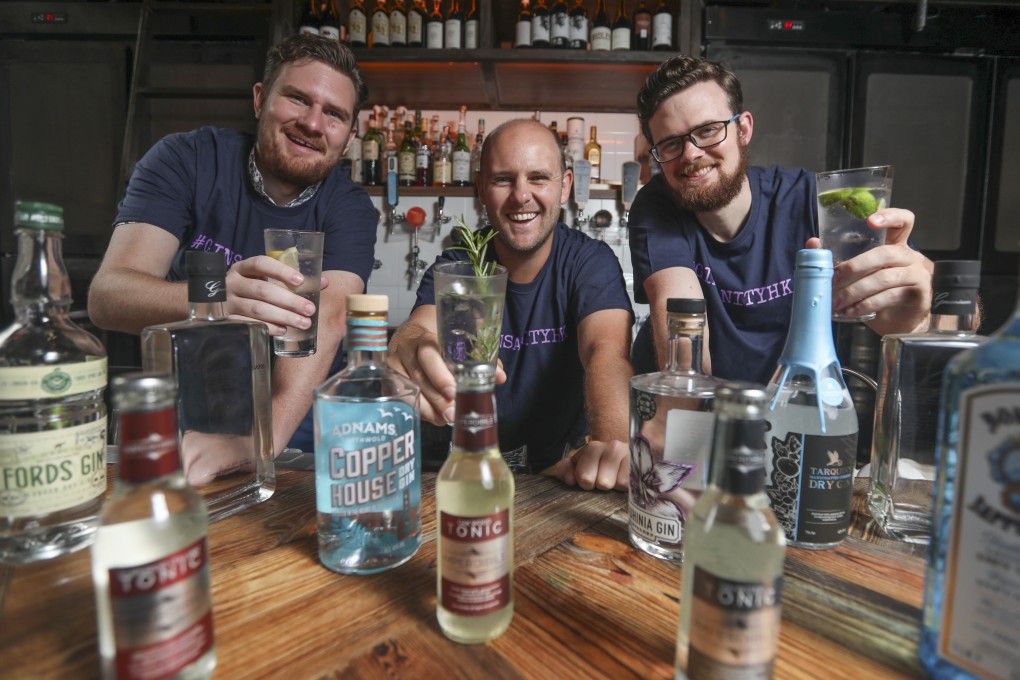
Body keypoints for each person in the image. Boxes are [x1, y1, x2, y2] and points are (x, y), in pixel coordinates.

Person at [87, 35, 378, 454]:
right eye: (297, 99)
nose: (313, 124)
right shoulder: (186, 160)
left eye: (333, 114)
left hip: (288, 435)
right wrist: (216, 298)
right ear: (260, 99)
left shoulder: (350, 208)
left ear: (349, 138)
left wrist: (259, 447)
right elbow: (108, 296)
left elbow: (329, 319)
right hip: (181, 427)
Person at [628, 55, 935, 385]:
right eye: (671, 143)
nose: (691, 155)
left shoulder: (813, 200)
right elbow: (683, 330)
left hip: (791, 409)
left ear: (743, 129)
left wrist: (916, 320)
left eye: (708, 131)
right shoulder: (657, 204)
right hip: (697, 409)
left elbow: (959, 313)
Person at [387, 118, 634, 491]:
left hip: (564, 477)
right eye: (503, 179)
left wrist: (612, 446)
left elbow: (607, 351)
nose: (521, 195)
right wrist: (409, 347)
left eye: (538, 178)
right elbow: (420, 329)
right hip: (471, 474)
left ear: (564, 187)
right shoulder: (458, 266)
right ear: (481, 190)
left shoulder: (589, 262)